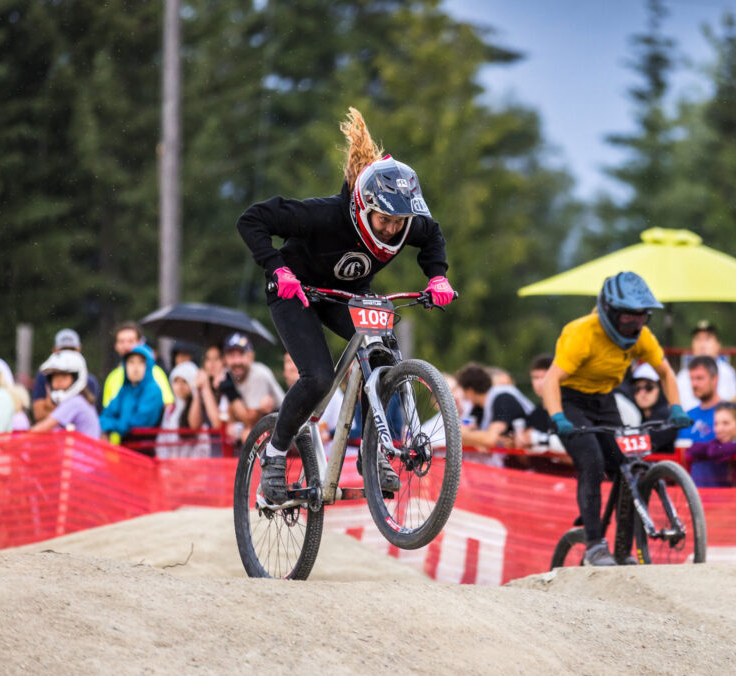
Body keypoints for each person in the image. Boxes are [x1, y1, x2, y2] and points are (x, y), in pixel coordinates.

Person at [236, 107, 454, 504]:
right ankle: (274, 454)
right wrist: (278, 269)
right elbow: (252, 220)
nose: (391, 229)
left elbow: (433, 234)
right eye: (383, 220)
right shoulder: (323, 216)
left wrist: (437, 276)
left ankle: (375, 452)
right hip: (295, 293)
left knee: (383, 357)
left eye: (399, 223)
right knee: (317, 377)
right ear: (362, 206)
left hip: (347, 298)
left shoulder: (407, 224)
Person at [541, 271, 690, 566]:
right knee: (592, 462)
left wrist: (676, 408)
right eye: (628, 319)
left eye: (642, 317)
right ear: (610, 311)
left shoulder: (642, 337)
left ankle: (623, 549)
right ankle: (595, 544)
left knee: (628, 465)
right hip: (570, 401)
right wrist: (558, 417)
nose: (635, 325)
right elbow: (550, 381)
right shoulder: (581, 333)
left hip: (605, 401)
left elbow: (666, 373)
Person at [457, 362, 535, 464]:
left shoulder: (502, 399)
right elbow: (460, 434)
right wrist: (478, 440)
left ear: (470, 391)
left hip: (534, 462)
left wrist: (474, 439)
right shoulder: (478, 407)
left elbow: (490, 439)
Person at [99, 345, 165, 447]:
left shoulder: (153, 390)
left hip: (144, 451)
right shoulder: (125, 389)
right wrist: (108, 426)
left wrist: (111, 426)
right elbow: (106, 415)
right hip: (125, 448)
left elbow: (138, 424)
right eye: (131, 362)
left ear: (148, 365)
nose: (135, 368)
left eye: (141, 362)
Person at [31, 329, 100, 423]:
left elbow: (87, 418)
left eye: (72, 350)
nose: (67, 355)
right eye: (63, 350)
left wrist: (51, 407)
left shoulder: (89, 381)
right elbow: (39, 415)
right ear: (54, 350)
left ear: (79, 349)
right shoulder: (44, 376)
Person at [101, 321, 173, 409]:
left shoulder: (155, 372)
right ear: (116, 346)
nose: (126, 346)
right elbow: (109, 411)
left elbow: (167, 406)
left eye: (131, 341)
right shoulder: (112, 377)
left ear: (140, 343)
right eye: (121, 341)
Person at [677, 356, 725, 487]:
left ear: (715, 379)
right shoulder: (687, 416)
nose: (694, 384)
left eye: (699, 378)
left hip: (722, 495)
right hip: (692, 498)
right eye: (692, 379)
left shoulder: (729, 413)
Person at [28, 350, 100, 438]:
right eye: (55, 377)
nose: (58, 381)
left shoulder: (75, 402)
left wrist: (17, 440)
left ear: (76, 378)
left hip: (83, 451)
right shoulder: (79, 401)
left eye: (64, 376)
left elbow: (41, 428)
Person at [675, 320, 736, 409]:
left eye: (707, 339)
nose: (702, 344)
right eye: (698, 339)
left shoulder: (728, 372)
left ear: (718, 344)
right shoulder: (683, 375)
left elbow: (731, 406)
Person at [155, 361, 211, 459]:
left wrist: (196, 392)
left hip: (194, 468)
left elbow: (197, 430)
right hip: (171, 467)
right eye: (176, 381)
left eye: (184, 381)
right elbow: (161, 441)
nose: (180, 386)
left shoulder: (201, 407)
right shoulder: (170, 410)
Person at [629, 363, 678, 454]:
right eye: (637, 388)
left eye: (649, 387)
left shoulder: (667, 416)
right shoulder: (635, 416)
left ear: (661, 388)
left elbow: (644, 445)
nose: (642, 393)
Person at [188, 345, 225, 456]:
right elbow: (194, 425)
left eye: (216, 359)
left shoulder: (229, 385)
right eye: (208, 359)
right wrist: (198, 391)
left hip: (230, 454)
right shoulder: (207, 387)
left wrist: (205, 387)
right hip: (212, 454)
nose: (211, 364)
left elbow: (218, 424)